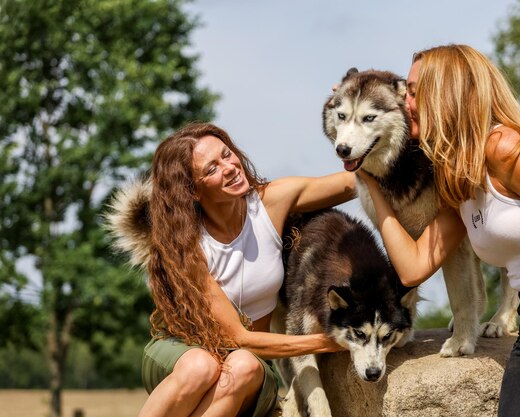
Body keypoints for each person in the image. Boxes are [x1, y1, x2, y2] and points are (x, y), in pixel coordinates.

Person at [357, 44, 520, 416]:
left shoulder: (506, 147)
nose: (406, 103)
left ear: (445, 95)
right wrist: (370, 181)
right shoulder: (456, 176)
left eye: (414, 92)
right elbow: (413, 267)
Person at [114, 122, 355, 417]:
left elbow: (351, 183)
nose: (229, 167)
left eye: (227, 154)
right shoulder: (187, 246)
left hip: (251, 366)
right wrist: (330, 340)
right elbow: (237, 337)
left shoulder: (270, 203)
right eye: (211, 169)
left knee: (243, 365)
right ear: (192, 191)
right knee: (201, 366)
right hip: (180, 354)